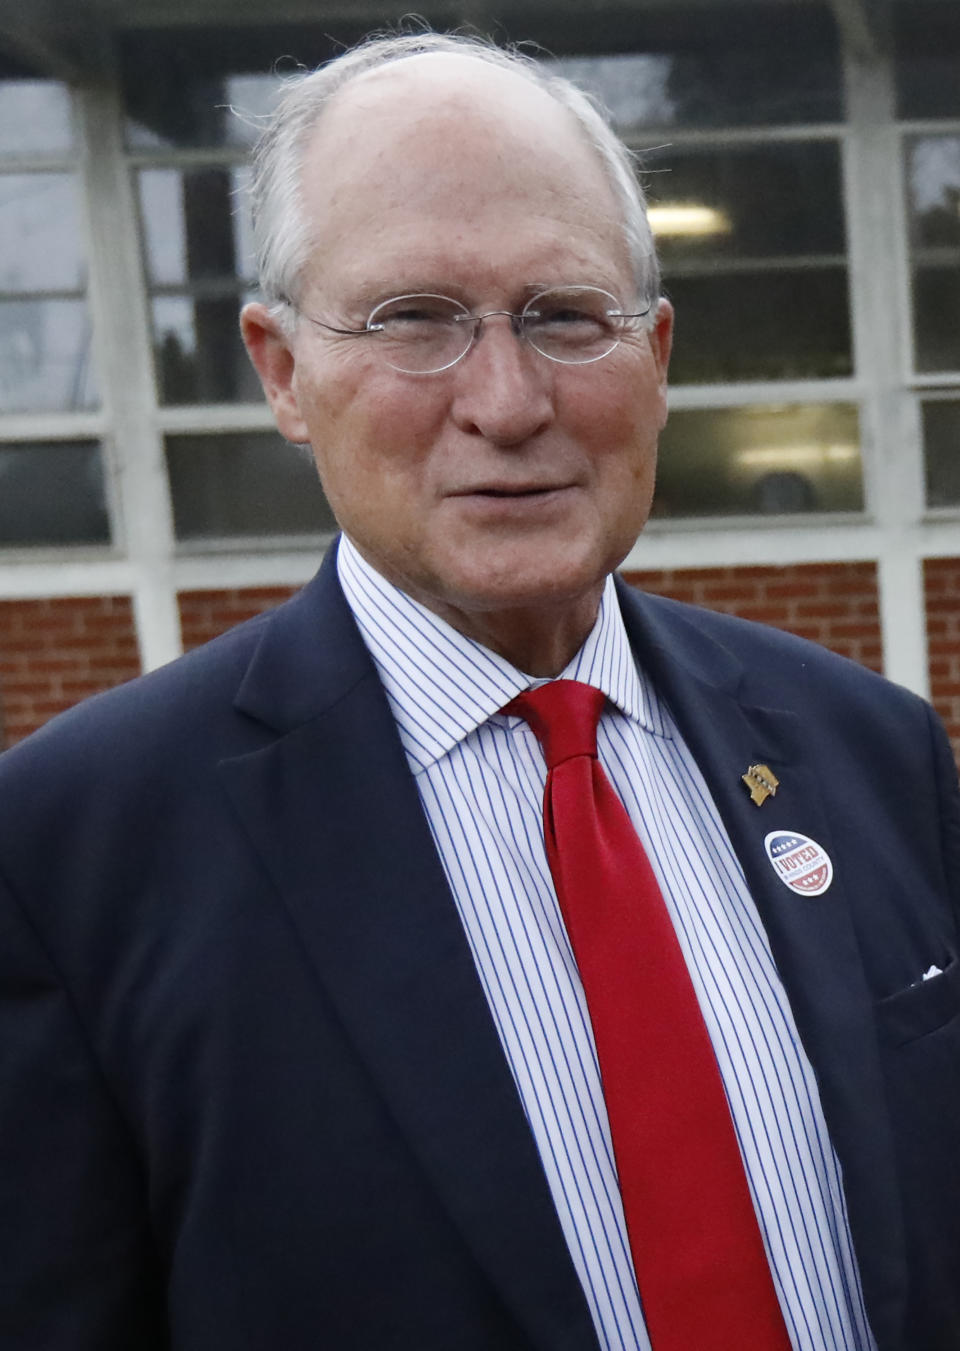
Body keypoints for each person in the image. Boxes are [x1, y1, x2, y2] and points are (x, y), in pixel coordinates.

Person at [0, 29, 958, 1351]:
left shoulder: (873, 751)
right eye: (414, 321)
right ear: (282, 372)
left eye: (566, 315)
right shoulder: (69, 855)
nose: (508, 403)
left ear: (659, 354)